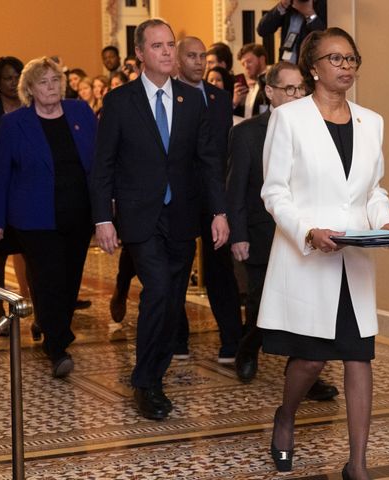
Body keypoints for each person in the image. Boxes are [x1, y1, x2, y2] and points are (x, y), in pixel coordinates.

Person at [259, 28, 389, 479]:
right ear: (313, 67)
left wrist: (385, 222)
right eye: (335, 58)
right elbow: (274, 191)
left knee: (359, 357)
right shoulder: (290, 118)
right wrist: (307, 230)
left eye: (351, 57)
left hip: (353, 260)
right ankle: (286, 414)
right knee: (312, 359)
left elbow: (371, 189)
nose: (346, 65)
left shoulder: (371, 121)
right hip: (308, 258)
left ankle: (357, 463)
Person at [90, 19, 229, 420]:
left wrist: (219, 212)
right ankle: (145, 381)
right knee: (159, 288)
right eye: (158, 46)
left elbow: (207, 162)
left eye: (170, 45)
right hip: (139, 217)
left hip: (183, 216)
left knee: (170, 301)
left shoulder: (191, 99)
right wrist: (103, 218)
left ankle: (154, 373)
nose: (167, 52)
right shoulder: (119, 102)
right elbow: (103, 166)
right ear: (140, 53)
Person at [227, 60, 338, 401]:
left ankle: (305, 376)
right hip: (262, 234)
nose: (296, 95)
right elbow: (236, 189)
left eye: (300, 89)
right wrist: (239, 234)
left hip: (305, 235)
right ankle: (247, 349)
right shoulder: (246, 133)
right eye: (288, 89)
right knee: (262, 303)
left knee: (303, 308)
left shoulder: (320, 129)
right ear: (270, 92)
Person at [0, 57, 97, 377]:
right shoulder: (14, 124)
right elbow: (0, 173)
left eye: (55, 80)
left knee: (70, 279)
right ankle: (57, 344)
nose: (51, 87)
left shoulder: (80, 113)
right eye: (43, 82)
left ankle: (51, 324)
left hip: (78, 213)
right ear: (29, 89)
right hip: (34, 217)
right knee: (49, 277)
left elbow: (99, 162)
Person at [172, 35, 241, 363]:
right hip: (180, 196)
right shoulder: (168, 96)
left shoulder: (219, 97)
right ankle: (177, 338)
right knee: (179, 267)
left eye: (203, 56)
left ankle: (232, 339)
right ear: (177, 60)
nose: (199, 62)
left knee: (220, 268)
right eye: (192, 56)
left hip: (215, 195)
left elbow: (222, 152)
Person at [0, 56, 29, 333]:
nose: (13, 81)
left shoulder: (32, 108)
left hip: (28, 190)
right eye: (7, 77)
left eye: (17, 75)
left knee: (35, 256)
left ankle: (38, 311)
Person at [257, 0, 327, 63]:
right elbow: (262, 30)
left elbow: (326, 38)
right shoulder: (288, 7)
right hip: (285, 66)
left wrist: (310, 14)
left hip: (307, 68)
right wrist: (282, 5)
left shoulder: (324, 5)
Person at [233, 43, 268, 121]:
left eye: (249, 62)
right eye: (243, 64)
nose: (246, 66)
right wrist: (236, 102)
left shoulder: (272, 82)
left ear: (262, 59)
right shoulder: (246, 87)